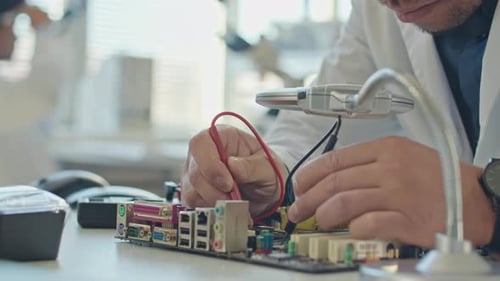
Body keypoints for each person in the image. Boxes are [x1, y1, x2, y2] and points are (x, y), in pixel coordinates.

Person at [181, 0, 500, 251]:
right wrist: (271, 172)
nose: (389, 3)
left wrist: (488, 203)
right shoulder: (374, 12)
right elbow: (318, 121)